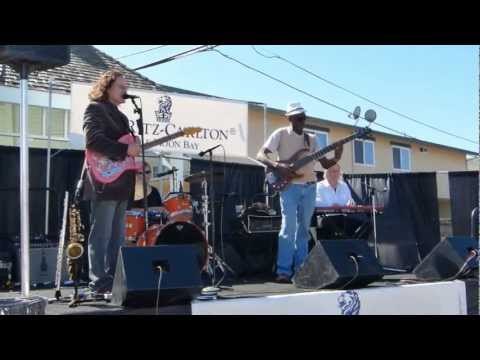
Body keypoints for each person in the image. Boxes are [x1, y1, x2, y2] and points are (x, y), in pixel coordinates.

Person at [256, 102, 343, 283]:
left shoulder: (311, 139)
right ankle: (283, 271)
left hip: (310, 186)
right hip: (290, 187)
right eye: (298, 117)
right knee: (288, 227)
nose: (302, 120)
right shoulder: (280, 134)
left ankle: (301, 269)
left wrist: (337, 155)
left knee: (304, 230)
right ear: (289, 118)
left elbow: (325, 164)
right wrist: (278, 165)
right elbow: (261, 156)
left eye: (304, 117)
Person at [82, 70, 140, 295]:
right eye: (121, 87)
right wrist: (126, 149)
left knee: (118, 237)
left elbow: (126, 150)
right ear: (107, 88)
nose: (125, 92)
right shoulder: (95, 108)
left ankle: (115, 282)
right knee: (102, 235)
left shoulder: (122, 117)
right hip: (104, 181)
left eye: (126, 88)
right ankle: (98, 283)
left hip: (122, 183)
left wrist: (135, 159)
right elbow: (93, 140)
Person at [315, 164, 364, 239]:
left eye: (337, 171)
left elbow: (350, 200)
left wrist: (351, 204)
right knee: (331, 223)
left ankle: (351, 244)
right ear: (326, 173)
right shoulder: (319, 186)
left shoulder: (344, 185)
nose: (336, 173)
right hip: (324, 217)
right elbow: (315, 202)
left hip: (342, 216)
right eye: (333, 171)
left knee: (364, 224)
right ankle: (345, 241)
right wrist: (331, 205)